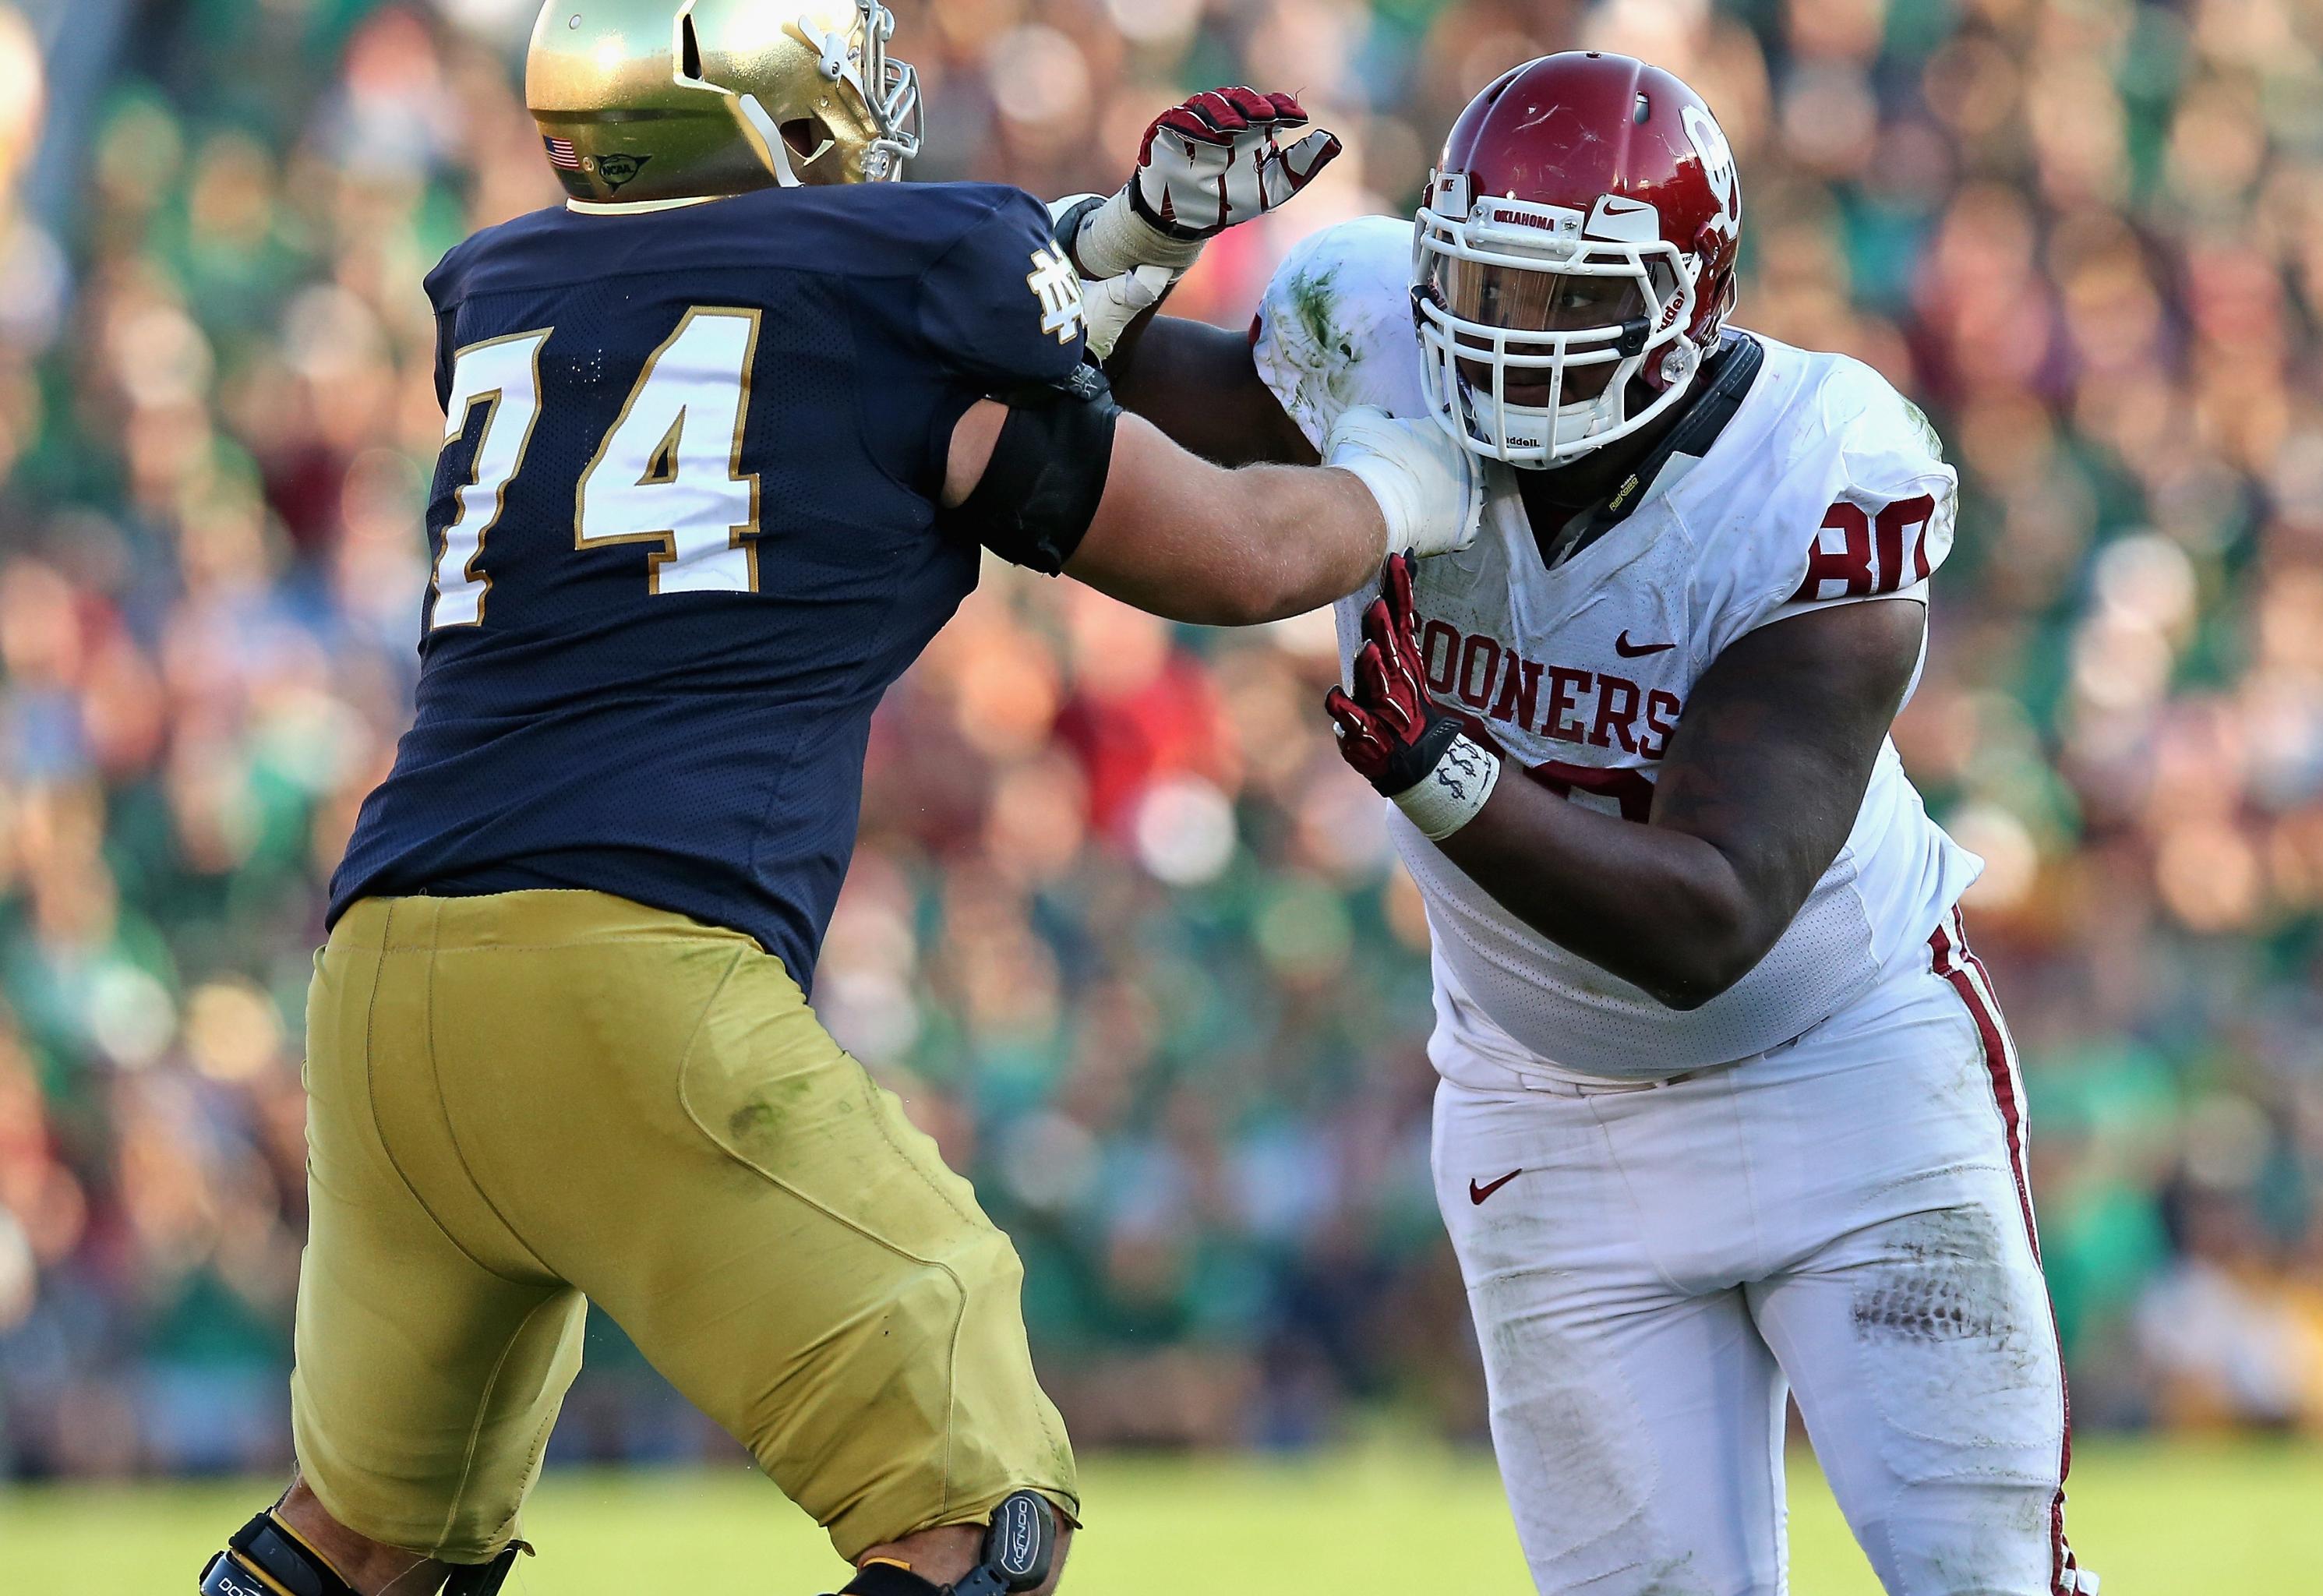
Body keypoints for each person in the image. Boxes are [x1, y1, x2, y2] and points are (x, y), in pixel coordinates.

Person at [196, 4, 1478, 1594]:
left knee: (364, 1546)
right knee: (974, 1516)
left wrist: (1130, 235)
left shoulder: (512, 280)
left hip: (387, 980)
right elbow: (1240, 554)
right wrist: (1422, 481)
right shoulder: (903, 283)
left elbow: (803, 308)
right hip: (629, 978)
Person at [1100, 50, 2092, 1596]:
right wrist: (1129, 246)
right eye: (1481, 285)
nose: (1506, 338)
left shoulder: (1822, 471)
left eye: (1565, 301)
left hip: (1841, 1067)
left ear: (1686, 302)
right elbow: (1083, 383)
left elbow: (1706, 919)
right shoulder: (1369, 334)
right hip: (1542, 1101)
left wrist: (1444, 772)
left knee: (1983, 1582)